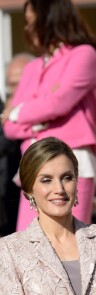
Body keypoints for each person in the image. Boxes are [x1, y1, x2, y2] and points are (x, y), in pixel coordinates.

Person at [1, 0, 96, 231]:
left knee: (69, 244)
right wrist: (40, 117)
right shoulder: (31, 67)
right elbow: (9, 127)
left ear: (50, 18)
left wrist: (20, 112)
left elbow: (59, 103)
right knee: (28, 248)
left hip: (72, 162)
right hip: (33, 165)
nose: (27, 28)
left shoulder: (84, 55)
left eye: (31, 21)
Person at [0, 137, 96, 295]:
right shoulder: (9, 250)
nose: (59, 189)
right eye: (46, 180)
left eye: (67, 178)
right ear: (29, 189)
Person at [0, 53, 34, 236]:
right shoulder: (5, 109)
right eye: (11, 85)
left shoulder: (47, 110)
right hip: (6, 198)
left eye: (20, 83)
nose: (15, 90)